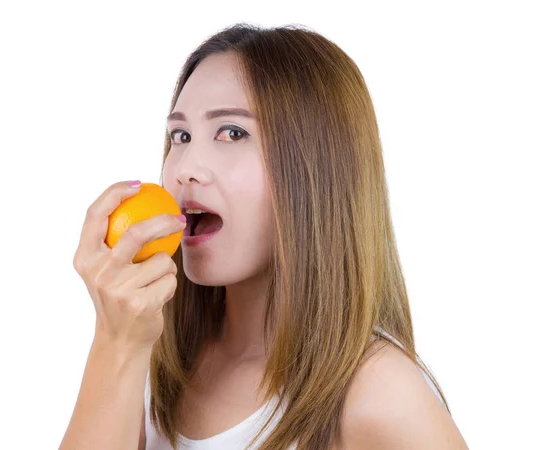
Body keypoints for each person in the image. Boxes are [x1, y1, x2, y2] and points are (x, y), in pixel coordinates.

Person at [60, 23, 469, 450]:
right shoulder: (150, 358)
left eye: (232, 133)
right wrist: (115, 342)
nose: (185, 167)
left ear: (317, 169)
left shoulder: (382, 395)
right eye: (180, 136)